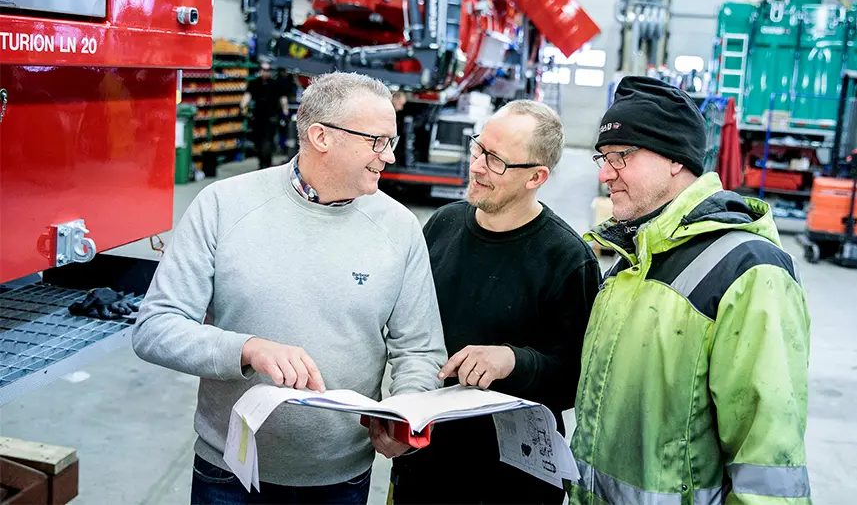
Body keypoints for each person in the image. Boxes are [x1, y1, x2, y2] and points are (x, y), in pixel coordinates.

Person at [133, 71, 447, 505]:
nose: (388, 156)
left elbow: (421, 348)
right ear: (321, 136)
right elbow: (155, 328)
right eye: (377, 141)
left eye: (389, 141)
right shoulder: (224, 205)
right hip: (229, 475)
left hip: (341, 478)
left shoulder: (400, 227)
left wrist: (407, 412)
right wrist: (247, 349)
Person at [569, 77, 812, 504]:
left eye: (621, 156)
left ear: (675, 160)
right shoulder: (632, 262)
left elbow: (767, 466)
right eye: (603, 158)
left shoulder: (749, 273)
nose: (605, 173)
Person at [390, 100, 601, 504]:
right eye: (478, 148)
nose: (477, 166)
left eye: (496, 160)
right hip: (424, 464)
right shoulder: (442, 225)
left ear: (536, 176)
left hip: (511, 481)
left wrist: (513, 360)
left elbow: (578, 379)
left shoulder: (568, 259)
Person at [242, 61, 289, 169]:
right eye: (263, 70)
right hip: (258, 117)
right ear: (260, 70)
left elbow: (283, 99)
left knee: (268, 141)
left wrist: (285, 113)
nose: (265, 72)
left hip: (271, 117)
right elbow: (247, 96)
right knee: (258, 141)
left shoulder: (276, 84)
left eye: (267, 70)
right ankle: (261, 161)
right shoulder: (255, 83)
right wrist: (242, 107)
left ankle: (266, 163)